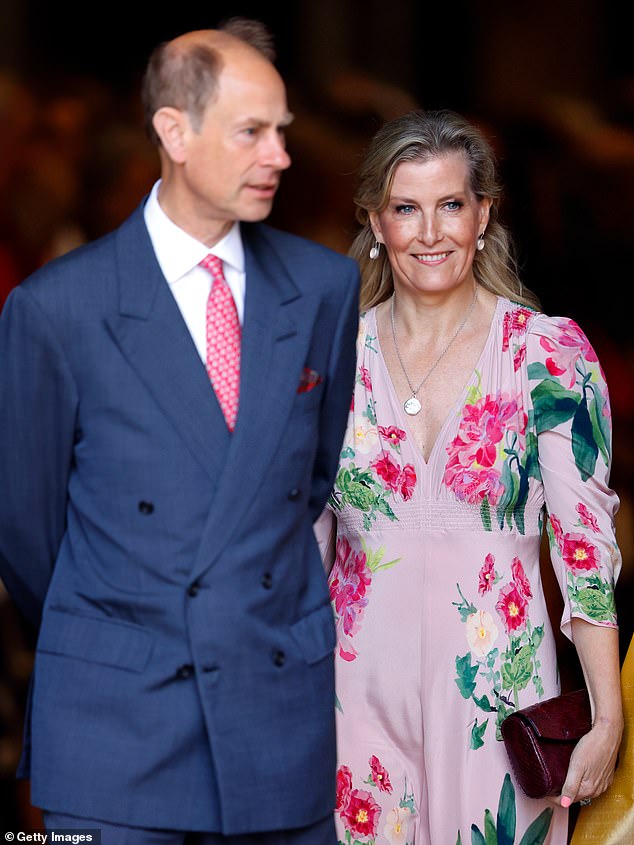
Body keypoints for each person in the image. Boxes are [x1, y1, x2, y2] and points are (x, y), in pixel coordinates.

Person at [0, 18, 359, 844]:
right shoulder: (57, 309)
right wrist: (125, 621)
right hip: (115, 726)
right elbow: (27, 533)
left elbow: (311, 479)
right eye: (252, 132)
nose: (281, 156)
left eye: (283, 132)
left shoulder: (324, 289)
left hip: (280, 717)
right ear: (174, 131)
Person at [315, 109, 623, 844]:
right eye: (406, 208)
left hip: (500, 701)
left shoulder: (548, 356)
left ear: (483, 214)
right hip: (351, 702)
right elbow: (299, 545)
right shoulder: (329, 357)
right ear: (375, 220)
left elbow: (584, 549)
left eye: (451, 205)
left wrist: (607, 716)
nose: (430, 232)